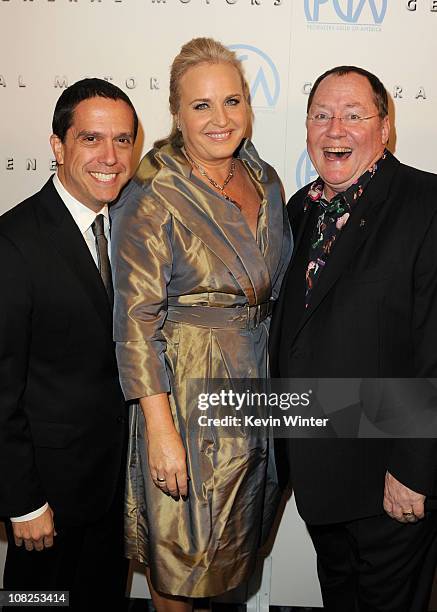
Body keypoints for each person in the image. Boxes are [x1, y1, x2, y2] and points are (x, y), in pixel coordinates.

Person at [111, 37, 292, 612]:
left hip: (255, 386)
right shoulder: (152, 194)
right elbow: (136, 321)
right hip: (185, 395)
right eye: (202, 105)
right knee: (181, 558)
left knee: (232, 552)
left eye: (232, 101)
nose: (221, 119)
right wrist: (161, 431)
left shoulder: (264, 179)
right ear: (176, 114)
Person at [270, 66, 437, 611]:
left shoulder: (426, 205)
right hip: (321, 479)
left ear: (384, 128)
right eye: (321, 115)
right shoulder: (300, 208)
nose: (334, 129)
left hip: (388, 482)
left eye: (353, 115)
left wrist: (413, 470)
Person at [0, 78, 138, 610]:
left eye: (123, 140)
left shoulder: (128, 232)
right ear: (58, 146)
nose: (110, 157)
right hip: (46, 501)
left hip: (111, 491)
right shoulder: (15, 243)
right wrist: (23, 502)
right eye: (92, 139)